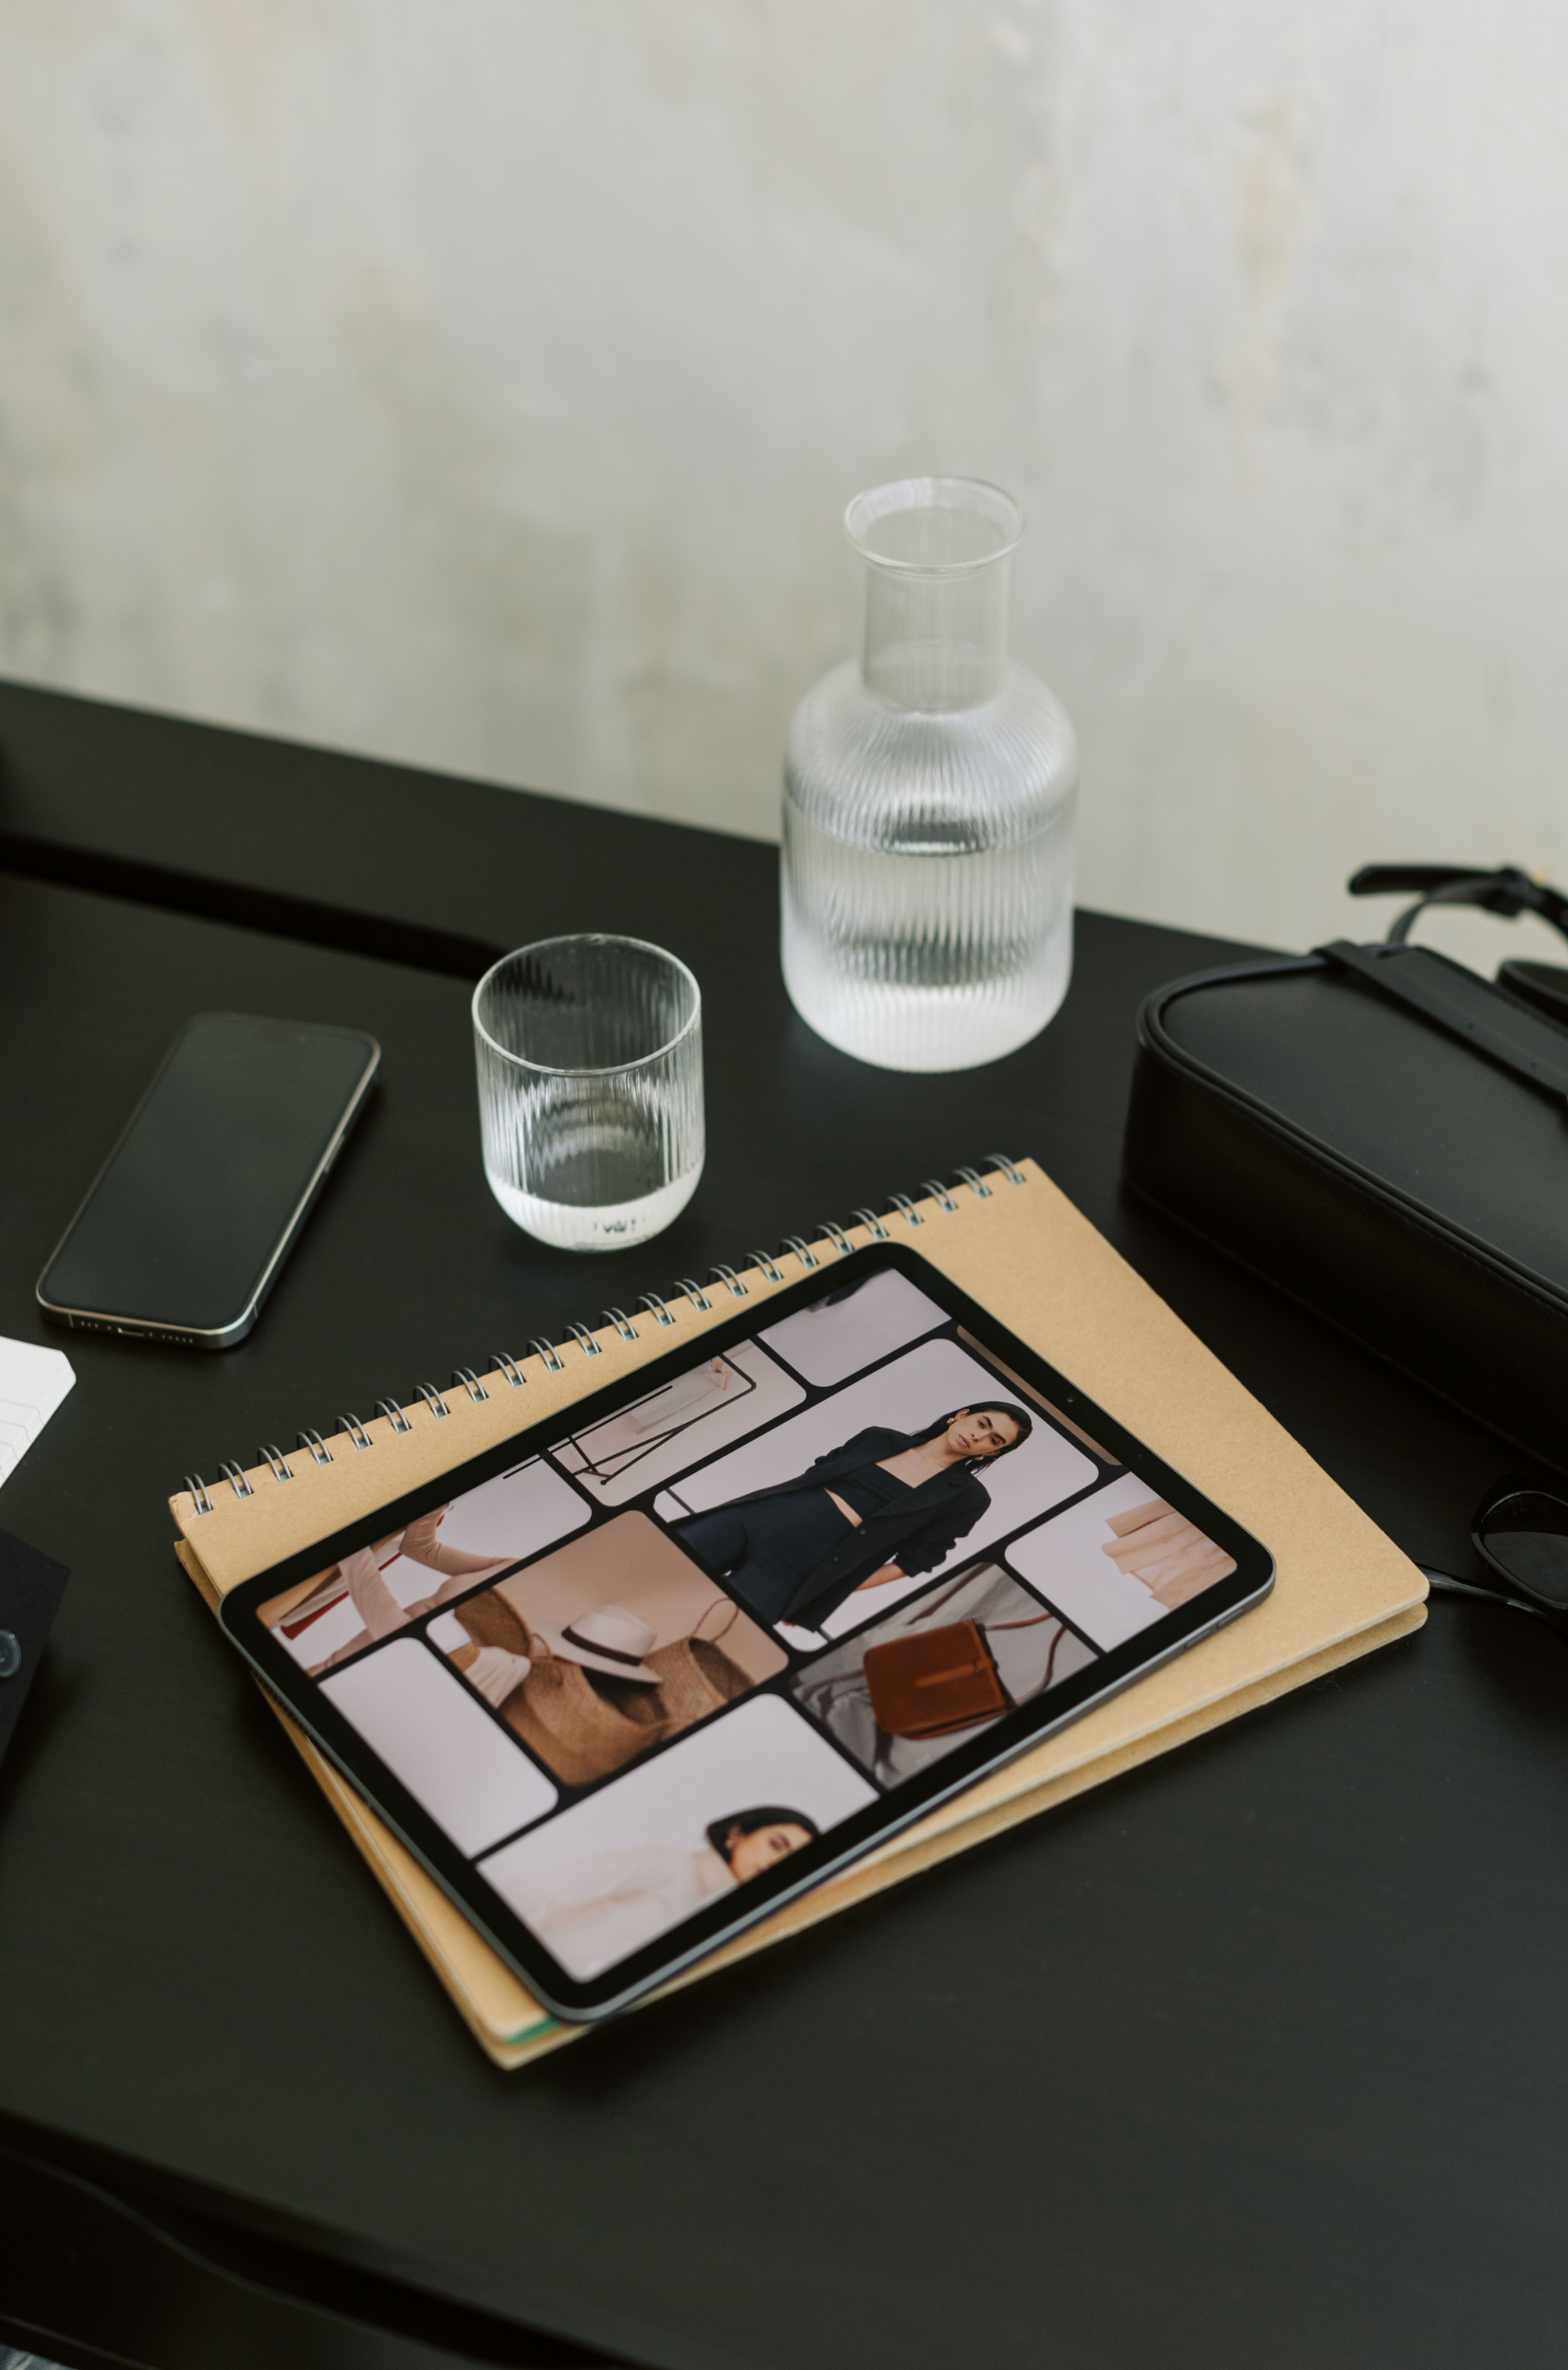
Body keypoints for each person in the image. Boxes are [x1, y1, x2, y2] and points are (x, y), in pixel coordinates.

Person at [675, 1404, 1031, 1631]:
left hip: (799, 1567)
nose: (979, 1435)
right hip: (755, 1518)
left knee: (715, 1631)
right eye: (981, 1423)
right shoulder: (879, 1438)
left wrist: (825, 1588)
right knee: (661, 1567)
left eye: (993, 1439)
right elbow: (819, 1471)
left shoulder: (968, 1498)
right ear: (961, 1415)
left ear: (993, 1453)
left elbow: (916, 1561)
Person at [508, 1806, 821, 1979]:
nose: (777, 1862)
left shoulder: (702, 1907)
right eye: (777, 1845)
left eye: (791, 1862)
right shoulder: (665, 1864)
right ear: (737, 1833)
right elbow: (539, 1888)